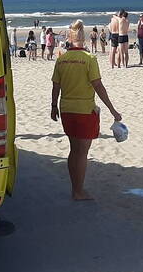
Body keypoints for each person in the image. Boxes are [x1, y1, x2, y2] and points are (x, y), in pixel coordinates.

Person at [49, 20, 121, 200]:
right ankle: (78, 191)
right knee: (82, 152)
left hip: (65, 109)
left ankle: (75, 188)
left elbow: (55, 86)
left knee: (74, 150)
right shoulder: (89, 59)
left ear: (69, 38)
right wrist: (113, 110)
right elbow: (98, 85)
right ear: (85, 37)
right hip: (84, 110)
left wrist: (53, 106)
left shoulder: (62, 59)